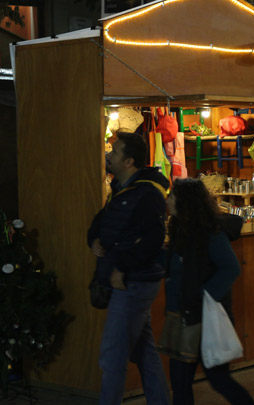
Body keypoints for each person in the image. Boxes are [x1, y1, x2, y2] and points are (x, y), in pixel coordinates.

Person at [87, 132, 170, 405]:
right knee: (144, 352)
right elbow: (102, 223)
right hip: (130, 281)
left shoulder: (145, 194)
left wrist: (122, 266)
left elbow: (154, 239)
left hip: (132, 282)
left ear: (129, 161)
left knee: (112, 356)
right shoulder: (122, 190)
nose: (109, 155)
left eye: (115, 151)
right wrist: (94, 240)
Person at [164, 178, 254, 405]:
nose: (168, 199)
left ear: (186, 203)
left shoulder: (210, 234)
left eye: (172, 196)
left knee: (217, 379)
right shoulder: (180, 230)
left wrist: (203, 296)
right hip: (184, 316)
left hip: (205, 319)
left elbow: (231, 268)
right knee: (181, 381)